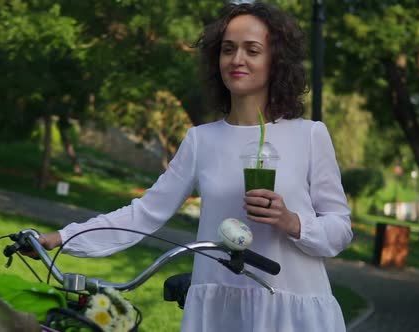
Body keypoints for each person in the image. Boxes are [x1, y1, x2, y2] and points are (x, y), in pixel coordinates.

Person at [35, 2, 353, 331]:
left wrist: (293, 222)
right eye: (228, 49)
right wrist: (62, 237)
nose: (237, 59)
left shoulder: (309, 135)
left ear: (276, 61)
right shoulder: (201, 140)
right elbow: (145, 213)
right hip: (219, 313)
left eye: (252, 50)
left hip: (291, 311)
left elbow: (340, 230)